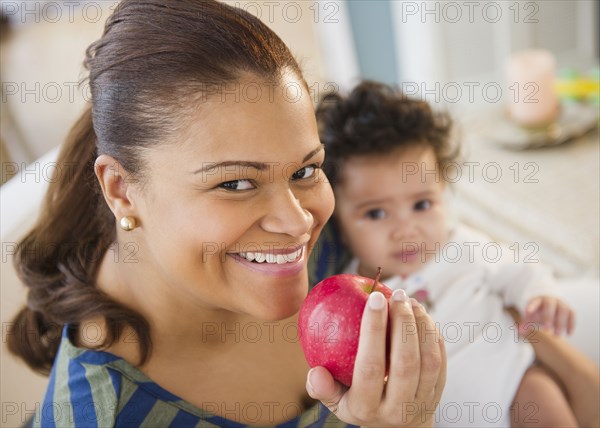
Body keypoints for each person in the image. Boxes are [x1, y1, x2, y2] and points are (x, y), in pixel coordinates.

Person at [7, 2, 446, 427]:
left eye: (305, 169)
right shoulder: (101, 416)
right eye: (235, 184)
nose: (298, 223)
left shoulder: (329, 230)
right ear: (121, 190)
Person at [316, 81, 598, 427]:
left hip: (513, 385)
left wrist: (539, 298)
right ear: (339, 221)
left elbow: (520, 271)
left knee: (544, 401)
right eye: (376, 213)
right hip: (438, 415)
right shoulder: (346, 293)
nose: (407, 230)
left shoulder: (462, 247)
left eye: (421, 204)